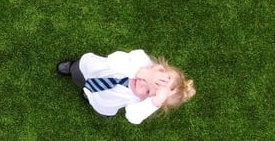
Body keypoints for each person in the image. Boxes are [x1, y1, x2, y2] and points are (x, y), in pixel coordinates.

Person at [56, 50, 195, 124]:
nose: (141, 83)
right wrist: (142, 72)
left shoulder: (143, 102)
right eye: (149, 79)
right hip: (92, 70)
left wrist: (155, 103)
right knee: (78, 73)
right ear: (157, 68)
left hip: (105, 102)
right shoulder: (140, 61)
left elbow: (133, 117)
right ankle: (73, 68)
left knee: (99, 105)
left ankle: (89, 96)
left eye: (147, 91)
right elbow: (114, 59)